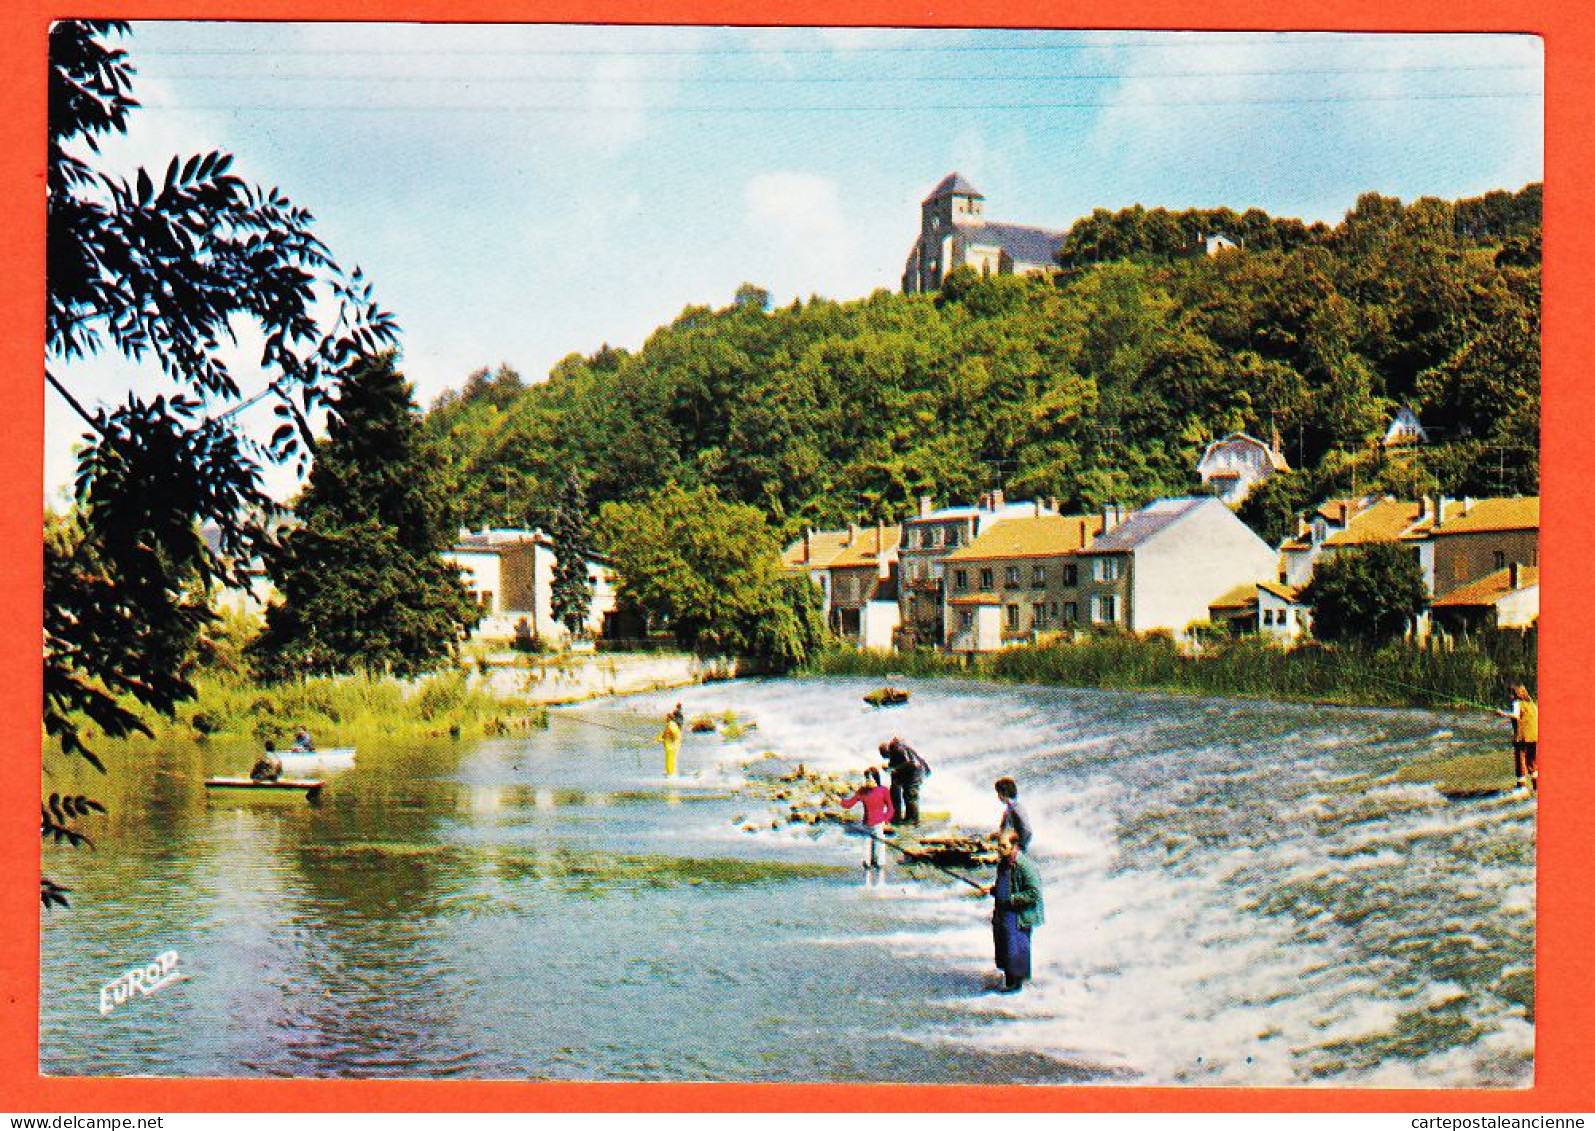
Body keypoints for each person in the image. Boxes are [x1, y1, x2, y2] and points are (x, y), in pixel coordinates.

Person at [982, 829, 1045, 993]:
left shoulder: (1025, 866)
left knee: (1016, 948)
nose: (1000, 849)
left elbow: (1034, 893)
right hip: (1003, 912)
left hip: (1018, 915)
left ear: (1014, 846)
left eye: (1003, 846)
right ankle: (1008, 980)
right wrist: (994, 890)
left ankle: (1016, 985)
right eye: (999, 846)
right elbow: (1004, 886)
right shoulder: (1003, 863)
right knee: (1003, 947)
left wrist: (1011, 899)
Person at [840, 768, 896, 870]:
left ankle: (879, 864)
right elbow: (849, 804)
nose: (868, 781)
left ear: (876, 779)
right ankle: (867, 864)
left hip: (879, 823)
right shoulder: (862, 791)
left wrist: (886, 819)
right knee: (866, 845)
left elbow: (890, 808)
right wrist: (839, 801)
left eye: (870, 779)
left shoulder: (883, 790)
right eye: (866, 779)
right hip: (866, 823)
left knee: (879, 844)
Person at [1496, 685, 1539, 792]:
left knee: (1521, 760)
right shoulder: (1532, 704)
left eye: (1511, 694)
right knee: (1532, 761)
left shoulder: (1516, 703)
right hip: (1534, 737)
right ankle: (1536, 787)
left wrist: (1502, 713)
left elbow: (1516, 715)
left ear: (1516, 694)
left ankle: (1521, 787)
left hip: (1522, 737)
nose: (1509, 696)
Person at [879, 736, 930, 826]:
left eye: (886, 756)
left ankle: (913, 819)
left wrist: (891, 768)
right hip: (915, 773)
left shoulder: (897, 750)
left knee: (910, 796)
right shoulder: (902, 748)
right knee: (903, 793)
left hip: (914, 774)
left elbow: (906, 762)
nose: (887, 758)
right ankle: (900, 817)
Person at [995, 777, 1033, 851]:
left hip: (1016, 849)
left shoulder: (1013, 810)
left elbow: (1026, 832)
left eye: (998, 793)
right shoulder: (1015, 807)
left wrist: (1017, 847)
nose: (998, 796)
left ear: (1004, 794)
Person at [659, 710, 683, 776]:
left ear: (669, 718)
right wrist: (660, 738)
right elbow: (664, 735)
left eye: (667, 718)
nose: (665, 719)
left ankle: (671, 774)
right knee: (669, 761)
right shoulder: (670, 725)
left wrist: (668, 736)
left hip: (671, 747)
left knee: (670, 761)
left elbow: (674, 734)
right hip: (669, 747)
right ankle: (670, 772)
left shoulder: (672, 724)